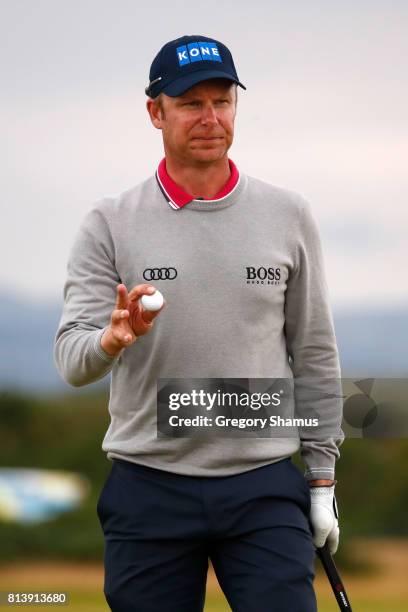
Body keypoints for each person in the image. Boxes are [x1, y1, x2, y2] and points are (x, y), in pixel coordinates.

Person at [54, 34, 344, 612]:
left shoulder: (288, 214)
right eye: (190, 103)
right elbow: (71, 360)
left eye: (222, 100)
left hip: (262, 480)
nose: (210, 118)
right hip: (149, 481)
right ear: (155, 112)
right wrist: (111, 341)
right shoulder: (109, 221)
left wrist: (321, 480)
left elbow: (313, 351)